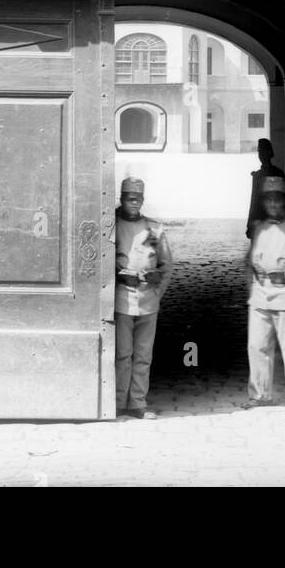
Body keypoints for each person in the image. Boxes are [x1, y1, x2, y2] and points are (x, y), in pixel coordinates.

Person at [114, 176, 173, 420]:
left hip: (148, 301)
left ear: (143, 200)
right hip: (122, 300)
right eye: (129, 198)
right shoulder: (113, 226)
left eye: (138, 198)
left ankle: (138, 402)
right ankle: (118, 401)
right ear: (121, 199)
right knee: (123, 354)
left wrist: (157, 292)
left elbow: (166, 266)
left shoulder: (155, 230)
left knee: (143, 355)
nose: (134, 203)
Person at [246, 175, 285, 410]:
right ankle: (259, 394)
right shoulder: (259, 229)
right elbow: (248, 263)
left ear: (284, 201)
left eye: (277, 199)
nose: (272, 204)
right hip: (260, 295)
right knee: (257, 346)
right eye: (268, 199)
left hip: (284, 295)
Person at [246, 138, 285, 238]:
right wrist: (250, 224)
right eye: (259, 151)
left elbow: (283, 200)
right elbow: (254, 201)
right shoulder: (258, 175)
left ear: (270, 152)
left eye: (264, 151)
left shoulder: (278, 173)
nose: (261, 154)